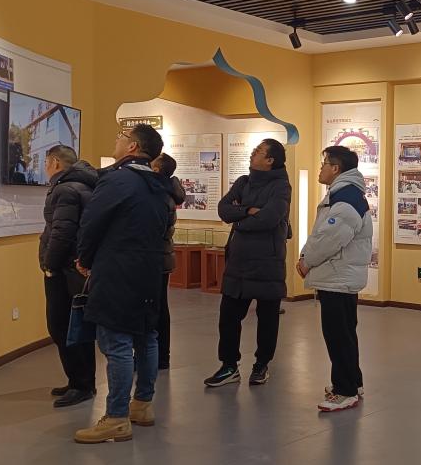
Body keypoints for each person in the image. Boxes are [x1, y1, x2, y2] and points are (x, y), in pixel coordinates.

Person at [74, 124, 172, 443]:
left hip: (117, 269)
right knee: (146, 336)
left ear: (132, 147)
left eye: (121, 137)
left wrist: (84, 257)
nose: (116, 140)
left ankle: (116, 416)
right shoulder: (159, 184)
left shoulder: (118, 179)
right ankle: (142, 404)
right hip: (149, 270)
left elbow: (92, 222)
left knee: (116, 341)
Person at [205, 139, 292, 388]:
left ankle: (261, 365)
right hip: (238, 262)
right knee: (228, 317)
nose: (253, 154)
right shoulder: (243, 182)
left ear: (270, 160)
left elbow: (269, 218)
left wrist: (240, 219)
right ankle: (229, 366)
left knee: (268, 319)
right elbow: (223, 209)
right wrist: (248, 210)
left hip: (268, 263)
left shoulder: (281, 186)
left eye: (258, 152)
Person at [296, 146, 372, 412]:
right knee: (345, 333)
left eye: (324, 164)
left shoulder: (345, 199)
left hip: (337, 277)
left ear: (336, 168)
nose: (321, 169)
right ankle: (353, 382)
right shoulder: (344, 195)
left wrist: (307, 261)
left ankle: (345, 390)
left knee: (338, 335)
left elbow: (330, 239)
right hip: (339, 276)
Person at [39, 145, 98, 408]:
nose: (44, 168)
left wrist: (49, 264)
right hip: (77, 268)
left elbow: (61, 233)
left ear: (54, 162)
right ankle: (82, 381)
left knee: (61, 326)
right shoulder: (83, 185)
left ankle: (80, 384)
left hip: (64, 270)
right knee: (77, 326)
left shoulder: (65, 190)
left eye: (45, 163)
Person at [151, 153, 186, 370]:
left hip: (156, 258)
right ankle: (160, 355)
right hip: (160, 257)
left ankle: (160, 356)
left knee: (157, 309)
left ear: (156, 170)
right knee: (159, 307)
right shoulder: (166, 193)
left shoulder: (161, 195)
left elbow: (155, 229)